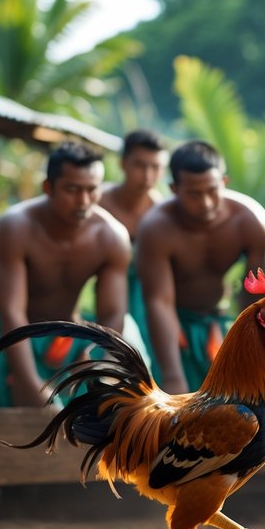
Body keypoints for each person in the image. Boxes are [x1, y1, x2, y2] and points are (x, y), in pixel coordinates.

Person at [0, 141, 140, 407]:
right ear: (48, 188)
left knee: (114, 389)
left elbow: (112, 315)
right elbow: (12, 314)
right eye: (73, 190)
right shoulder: (16, 227)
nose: (83, 201)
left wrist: (99, 362)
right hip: (6, 330)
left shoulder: (111, 236)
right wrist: (31, 385)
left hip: (66, 329)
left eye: (92, 190)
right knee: (7, 390)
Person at [136, 139, 265, 394]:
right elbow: (159, 302)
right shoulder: (156, 228)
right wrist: (172, 374)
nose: (206, 202)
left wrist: (249, 348)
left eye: (212, 190)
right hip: (170, 322)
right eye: (194, 194)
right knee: (171, 404)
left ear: (224, 182)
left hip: (218, 321)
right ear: (174, 189)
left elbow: (255, 296)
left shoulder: (249, 221)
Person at [99, 129, 169, 372]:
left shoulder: (161, 213)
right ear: (122, 164)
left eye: (156, 167)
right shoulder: (98, 201)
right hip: (97, 289)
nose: (147, 175)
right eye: (140, 165)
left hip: (144, 293)